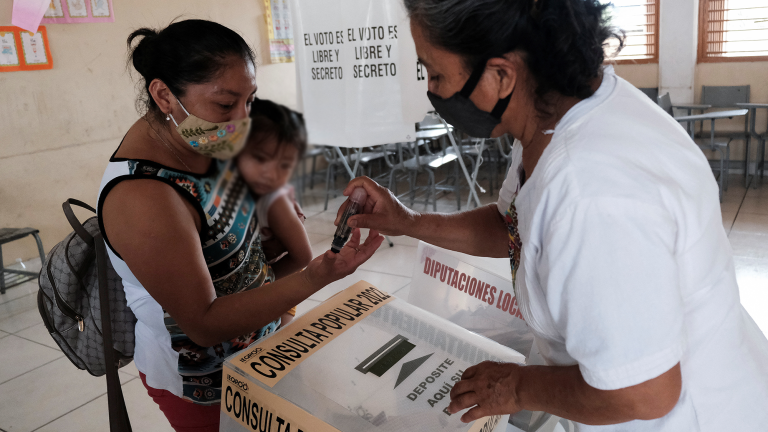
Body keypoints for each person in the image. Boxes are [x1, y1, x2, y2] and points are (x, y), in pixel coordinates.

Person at [335, 0, 768, 430]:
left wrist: (516, 388)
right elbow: (516, 225)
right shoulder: (555, 113)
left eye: (435, 73)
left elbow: (643, 392)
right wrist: (406, 221)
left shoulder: (590, 192)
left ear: (501, 75)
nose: (432, 88)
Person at [98, 20, 382, 432]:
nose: (242, 120)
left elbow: (280, 250)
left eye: (250, 101)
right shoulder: (142, 197)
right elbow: (204, 323)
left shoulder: (212, 139)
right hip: (207, 383)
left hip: (267, 345)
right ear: (164, 96)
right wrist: (316, 276)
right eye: (225, 104)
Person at [237, 98, 314, 326]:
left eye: (284, 165)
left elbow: (302, 256)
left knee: (277, 337)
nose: (271, 173)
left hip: (280, 284)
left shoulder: (272, 200)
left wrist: (258, 287)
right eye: (260, 159)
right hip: (256, 285)